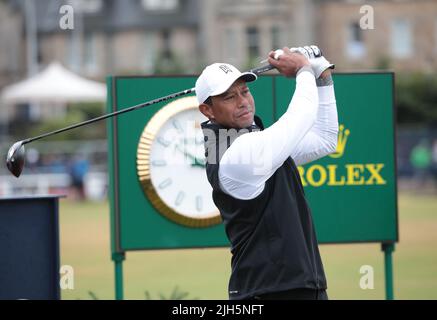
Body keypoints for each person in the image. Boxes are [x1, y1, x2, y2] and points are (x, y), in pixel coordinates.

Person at [196, 46, 338, 300]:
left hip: (301, 288)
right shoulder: (235, 155)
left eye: (245, 91)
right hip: (267, 293)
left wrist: (322, 73)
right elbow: (300, 118)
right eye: (229, 97)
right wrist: (304, 70)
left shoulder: (256, 143)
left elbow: (325, 139)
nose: (242, 102)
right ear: (207, 110)